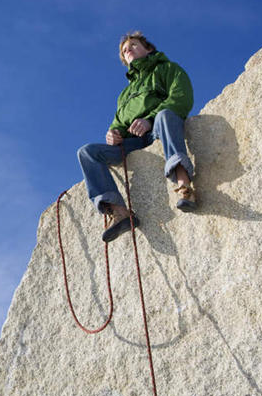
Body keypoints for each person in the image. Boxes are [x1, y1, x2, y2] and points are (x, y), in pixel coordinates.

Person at [77, 31, 196, 243]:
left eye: (133, 45)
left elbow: (181, 97)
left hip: (159, 129)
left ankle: (184, 186)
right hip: (133, 142)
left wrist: (150, 120)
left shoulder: (167, 69)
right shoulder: (125, 94)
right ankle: (119, 212)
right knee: (87, 152)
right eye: (124, 50)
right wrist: (113, 134)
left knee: (165, 115)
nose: (128, 50)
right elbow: (118, 123)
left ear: (148, 48)